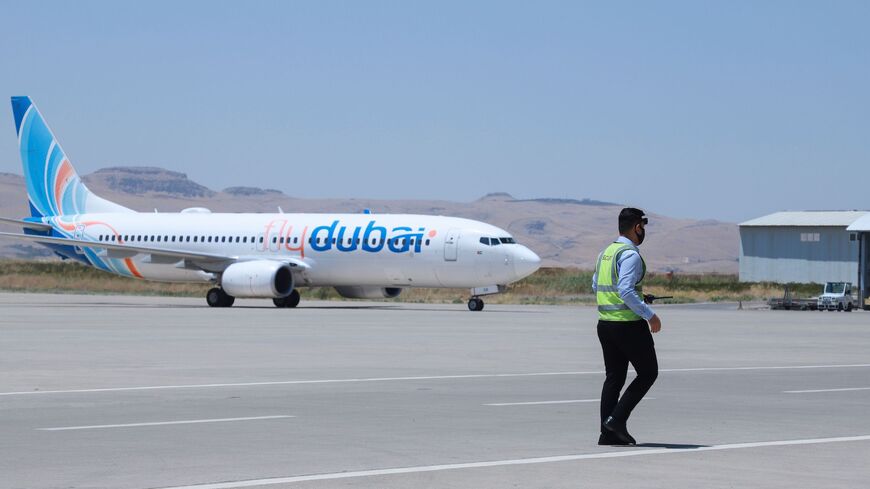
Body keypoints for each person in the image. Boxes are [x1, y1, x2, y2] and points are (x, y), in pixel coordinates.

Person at [592, 207, 661, 445]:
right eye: (642, 227)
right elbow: (624, 290)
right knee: (648, 373)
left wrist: (640, 298)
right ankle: (617, 420)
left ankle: (607, 433)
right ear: (636, 227)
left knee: (614, 378)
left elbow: (598, 286)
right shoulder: (630, 254)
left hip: (605, 325)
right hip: (628, 326)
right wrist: (649, 314)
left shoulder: (605, 253)